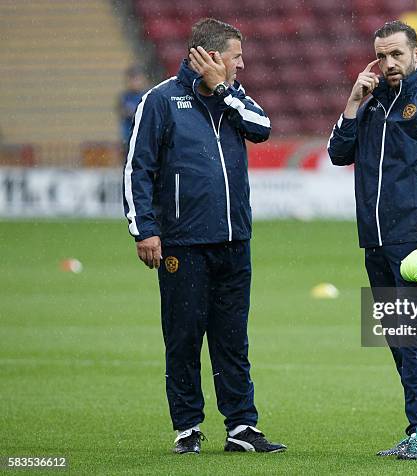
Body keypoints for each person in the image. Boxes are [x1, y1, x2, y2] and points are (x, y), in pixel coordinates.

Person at [122, 18, 285, 455]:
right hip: (183, 243)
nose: (243, 65)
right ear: (212, 57)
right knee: (184, 336)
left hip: (234, 240)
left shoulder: (234, 99)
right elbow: (138, 169)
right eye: (236, 57)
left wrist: (225, 89)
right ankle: (188, 427)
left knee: (233, 339)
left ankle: (242, 428)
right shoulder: (160, 101)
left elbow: (262, 128)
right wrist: (145, 230)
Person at [327, 21, 417, 460]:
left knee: (412, 336)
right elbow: (338, 153)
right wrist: (353, 102)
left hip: (416, 241)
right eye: (381, 55)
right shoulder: (370, 105)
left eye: (396, 55)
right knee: (397, 338)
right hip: (374, 241)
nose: (388, 64)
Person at [117, 65, 147, 156]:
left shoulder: (146, 96)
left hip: (142, 135)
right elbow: (122, 111)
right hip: (128, 135)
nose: (135, 83)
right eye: (133, 80)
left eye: (138, 79)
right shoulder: (124, 97)